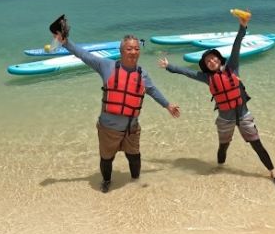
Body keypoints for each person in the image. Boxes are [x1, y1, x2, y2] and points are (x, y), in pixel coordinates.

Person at [51, 16, 181, 193]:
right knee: (106, 159)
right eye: (129, 48)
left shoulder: (143, 74)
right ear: (121, 51)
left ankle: (136, 181)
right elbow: (83, 55)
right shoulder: (106, 66)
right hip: (108, 129)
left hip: (131, 129)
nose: (133, 52)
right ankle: (106, 181)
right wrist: (65, 42)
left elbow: (152, 90)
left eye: (136, 48)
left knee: (134, 157)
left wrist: (168, 105)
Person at [158, 10, 275, 186]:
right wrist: (169, 66)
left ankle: (273, 172)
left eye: (213, 59)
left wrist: (242, 26)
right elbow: (187, 72)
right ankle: (220, 167)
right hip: (225, 118)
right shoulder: (207, 78)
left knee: (257, 144)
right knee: (223, 146)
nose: (211, 62)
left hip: (244, 115)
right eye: (208, 61)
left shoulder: (232, 68)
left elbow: (236, 46)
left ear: (219, 59)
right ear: (206, 66)